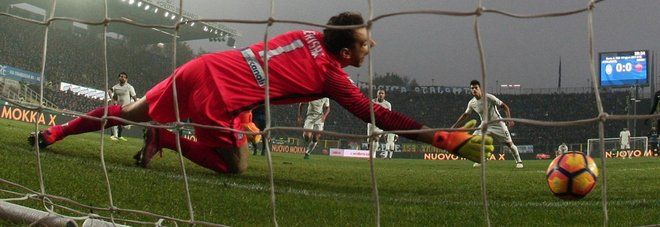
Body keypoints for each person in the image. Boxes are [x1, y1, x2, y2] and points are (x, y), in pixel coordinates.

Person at [28, 12, 493, 174]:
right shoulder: (332, 76)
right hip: (220, 95)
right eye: (366, 42)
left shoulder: (309, 36)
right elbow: (374, 115)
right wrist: (441, 137)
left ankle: (57, 133)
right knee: (237, 168)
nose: (372, 45)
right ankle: (165, 138)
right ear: (347, 49)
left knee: (129, 111)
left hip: (203, 67)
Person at [452, 80, 523, 169]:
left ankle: (519, 161)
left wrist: (509, 119)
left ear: (480, 88)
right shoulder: (471, 103)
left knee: (509, 144)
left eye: (476, 88)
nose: (474, 90)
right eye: (472, 88)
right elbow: (465, 114)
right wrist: (455, 125)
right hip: (485, 125)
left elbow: (505, 106)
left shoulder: (489, 97)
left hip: (497, 123)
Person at [109, 72, 137, 141]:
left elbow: (134, 98)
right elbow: (110, 91)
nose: (122, 78)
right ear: (119, 78)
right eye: (121, 76)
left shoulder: (129, 87)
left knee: (125, 125)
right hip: (118, 107)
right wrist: (112, 99)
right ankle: (113, 136)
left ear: (126, 79)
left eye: (124, 77)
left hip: (127, 108)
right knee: (115, 120)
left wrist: (135, 106)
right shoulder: (115, 87)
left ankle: (119, 136)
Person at [367, 89, 391, 158]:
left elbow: (388, 115)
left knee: (376, 138)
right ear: (377, 94)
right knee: (370, 140)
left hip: (380, 124)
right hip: (371, 123)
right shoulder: (372, 102)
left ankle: (373, 155)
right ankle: (370, 153)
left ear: (384, 95)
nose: (381, 94)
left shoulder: (388, 104)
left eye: (382, 93)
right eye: (379, 93)